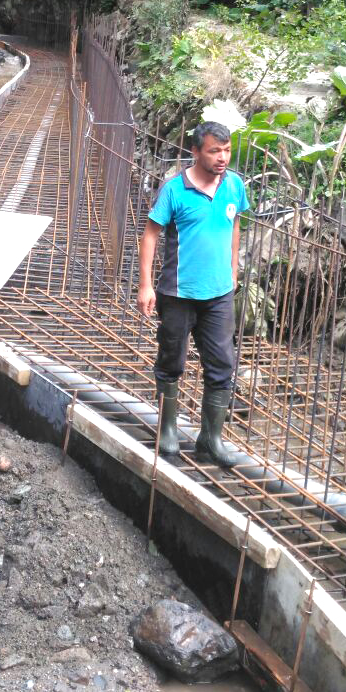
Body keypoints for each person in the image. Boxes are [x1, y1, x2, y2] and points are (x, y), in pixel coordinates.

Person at [137, 121, 249, 467]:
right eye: (214, 150)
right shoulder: (175, 189)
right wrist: (145, 284)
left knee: (222, 365)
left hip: (218, 295)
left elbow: (234, 225)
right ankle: (167, 428)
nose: (222, 157)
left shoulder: (233, 185)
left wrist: (233, 269)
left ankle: (210, 439)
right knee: (172, 358)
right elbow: (151, 234)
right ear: (196, 152)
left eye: (226, 150)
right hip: (178, 292)